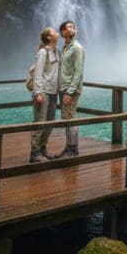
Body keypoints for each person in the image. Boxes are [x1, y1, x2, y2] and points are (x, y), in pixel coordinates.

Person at [30, 27, 60, 163]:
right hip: (43, 92)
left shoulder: (57, 53)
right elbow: (38, 73)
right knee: (40, 123)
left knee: (49, 123)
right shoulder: (43, 52)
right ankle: (34, 154)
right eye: (54, 32)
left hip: (54, 92)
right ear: (48, 37)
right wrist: (38, 93)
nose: (57, 33)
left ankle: (43, 149)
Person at [58, 20, 86, 158]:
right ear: (63, 32)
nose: (72, 28)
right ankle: (69, 147)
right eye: (69, 27)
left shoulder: (77, 48)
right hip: (64, 87)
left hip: (71, 89)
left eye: (73, 26)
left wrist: (70, 92)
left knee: (70, 118)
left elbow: (78, 72)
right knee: (67, 118)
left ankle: (72, 149)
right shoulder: (65, 47)